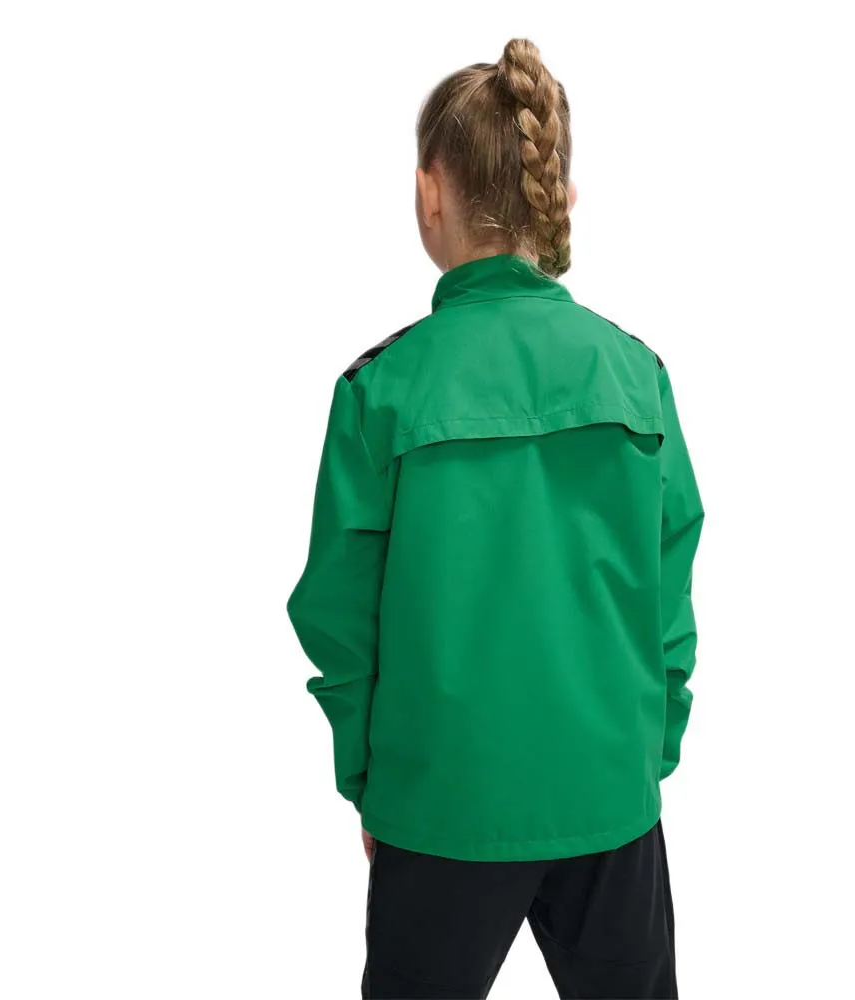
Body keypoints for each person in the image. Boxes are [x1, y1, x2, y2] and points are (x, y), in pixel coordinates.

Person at [286, 37, 705, 1000]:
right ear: (557, 190)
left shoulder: (381, 389)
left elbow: (339, 619)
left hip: (440, 800)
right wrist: (648, 748)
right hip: (609, 791)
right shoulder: (636, 373)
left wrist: (371, 778)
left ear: (428, 192)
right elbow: (670, 591)